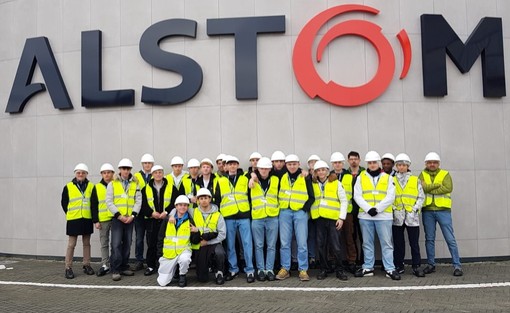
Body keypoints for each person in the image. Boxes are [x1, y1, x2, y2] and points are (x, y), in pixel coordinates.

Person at [353, 151, 400, 280]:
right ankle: (368, 267)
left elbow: (391, 196)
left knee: (386, 243)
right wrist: (368, 209)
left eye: (374, 162)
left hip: (383, 216)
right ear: (367, 163)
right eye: (370, 163)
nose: (372, 165)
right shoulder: (361, 177)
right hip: (365, 216)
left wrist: (377, 209)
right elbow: (357, 195)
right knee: (367, 243)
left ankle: (390, 268)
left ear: (378, 163)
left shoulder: (388, 177)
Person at [419, 152, 463, 276]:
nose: (432, 164)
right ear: (426, 163)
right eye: (429, 162)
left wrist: (430, 188)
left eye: (434, 162)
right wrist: (438, 185)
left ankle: (457, 265)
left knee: (450, 239)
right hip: (427, 210)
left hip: (443, 210)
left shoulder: (445, 174)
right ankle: (431, 264)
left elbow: (448, 188)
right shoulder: (422, 174)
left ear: (438, 163)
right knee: (429, 239)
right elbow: (421, 189)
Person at [214, 155, 255, 283]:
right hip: (228, 217)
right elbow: (218, 199)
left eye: (234, 164)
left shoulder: (245, 177)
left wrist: (253, 177)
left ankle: (250, 270)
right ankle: (233, 269)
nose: (232, 166)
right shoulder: (220, 181)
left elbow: (251, 191)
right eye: (229, 164)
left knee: (247, 244)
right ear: (225, 166)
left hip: (243, 215)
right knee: (230, 245)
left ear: (237, 166)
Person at [276, 154, 315, 281]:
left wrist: (304, 209)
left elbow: (311, 196)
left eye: (294, 164)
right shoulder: (281, 177)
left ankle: (303, 269)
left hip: (300, 213)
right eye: (289, 164)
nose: (292, 166)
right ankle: (285, 268)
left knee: (302, 242)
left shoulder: (305, 177)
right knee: (284, 242)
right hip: (285, 212)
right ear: (286, 165)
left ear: (298, 164)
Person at [310, 160, 349, 281]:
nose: (321, 172)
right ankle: (324, 269)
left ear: (327, 171)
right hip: (319, 218)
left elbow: (344, 201)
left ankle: (339, 270)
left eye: (323, 170)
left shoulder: (336, 183)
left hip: (333, 219)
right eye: (318, 170)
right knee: (321, 245)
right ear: (315, 172)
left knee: (336, 246)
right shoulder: (312, 183)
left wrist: (341, 218)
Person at [106, 158, 142, 281]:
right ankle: (115, 268)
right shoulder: (112, 184)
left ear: (130, 170)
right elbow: (109, 202)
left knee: (127, 243)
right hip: (118, 219)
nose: (125, 171)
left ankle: (124, 266)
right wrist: (119, 216)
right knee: (116, 244)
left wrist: (132, 216)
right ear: (120, 170)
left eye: (128, 169)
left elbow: (138, 201)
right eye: (123, 169)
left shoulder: (135, 184)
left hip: (130, 219)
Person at [392, 153, 425, 277]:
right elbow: (389, 197)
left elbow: (421, 197)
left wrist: (414, 209)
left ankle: (416, 266)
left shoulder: (415, 180)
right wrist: (394, 209)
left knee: (414, 243)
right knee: (398, 243)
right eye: (399, 165)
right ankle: (398, 265)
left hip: (411, 217)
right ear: (396, 166)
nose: (401, 167)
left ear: (408, 166)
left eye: (403, 165)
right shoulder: (392, 180)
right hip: (397, 217)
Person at [60, 163, 95, 279]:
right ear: (75, 174)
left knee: (86, 244)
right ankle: (68, 267)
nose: (81, 174)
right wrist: (70, 213)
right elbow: (64, 203)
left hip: (86, 218)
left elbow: (94, 203)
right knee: (71, 244)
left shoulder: (91, 186)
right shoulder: (68, 186)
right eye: (78, 172)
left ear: (86, 174)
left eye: (83, 173)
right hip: (73, 219)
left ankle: (87, 265)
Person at [156, 195, 199, 287]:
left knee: (185, 259)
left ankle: (182, 275)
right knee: (162, 283)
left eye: (185, 205)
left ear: (188, 207)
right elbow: (160, 237)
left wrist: (196, 232)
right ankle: (174, 269)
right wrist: (160, 254)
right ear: (176, 206)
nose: (183, 207)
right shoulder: (168, 219)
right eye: (180, 205)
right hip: (168, 253)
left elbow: (195, 241)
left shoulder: (190, 220)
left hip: (183, 251)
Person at [186, 188, 227, 284]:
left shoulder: (218, 215)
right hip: (199, 244)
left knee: (220, 253)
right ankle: (206, 268)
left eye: (206, 198)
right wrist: (170, 216)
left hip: (214, 243)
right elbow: (179, 208)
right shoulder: (193, 211)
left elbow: (222, 234)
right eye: (201, 198)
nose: (203, 200)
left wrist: (208, 242)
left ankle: (219, 272)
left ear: (210, 199)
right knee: (202, 279)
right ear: (197, 200)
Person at [249, 157, 280, 281]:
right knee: (259, 245)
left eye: (266, 168)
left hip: (272, 216)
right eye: (261, 168)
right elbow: (242, 173)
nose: (264, 170)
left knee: (271, 245)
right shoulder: (252, 180)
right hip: (257, 217)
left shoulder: (276, 180)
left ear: (270, 169)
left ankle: (270, 269)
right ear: (258, 169)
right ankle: (261, 269)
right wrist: (251, 177)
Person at [140, 165, 172, 277]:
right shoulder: (146, 189)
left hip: (166, 220)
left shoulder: (171, 187)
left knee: (166, 243)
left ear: (163, 174)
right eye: (156, 172)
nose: (158, 174)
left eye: (160, 172)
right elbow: (142, 204)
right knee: (151, 243)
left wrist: (166, 212)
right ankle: (151, 265)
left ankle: (164, 266)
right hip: (152, 220)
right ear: (152, 175)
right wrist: (151, 213)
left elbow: (175, 202)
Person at [330, 152, 357, 274]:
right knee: (333, 239)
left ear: (343, 163)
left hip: (348, 212)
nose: (337, 164)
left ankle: (351, 262)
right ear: (332, 164)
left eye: (339, 162)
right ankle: (333, 262)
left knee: (349, 238)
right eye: (335, 163)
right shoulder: (328, 176)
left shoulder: (349, 176)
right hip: (333, 212)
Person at [90, 163, 115, 277]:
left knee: (116, 243)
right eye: (104, 173)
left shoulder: (117, 185)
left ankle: (115, 264)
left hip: (115, 218)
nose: (106, 175)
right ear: (101, 174)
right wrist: (96, 221)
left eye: (109, 172)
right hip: (103, 220)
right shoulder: (97, 187)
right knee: (104, 243)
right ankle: (105, 264)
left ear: (112, 174)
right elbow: (93, 205)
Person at [132, 153, 154, 271]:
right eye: (145, 163)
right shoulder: (135, 176)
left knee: (150, 239)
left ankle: (151, 260)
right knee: (139, 238)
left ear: (152, 164)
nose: (147, 165)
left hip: (151, 213)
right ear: (142, 164)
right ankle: (139, 261)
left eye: (149, 163)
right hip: (139, 213)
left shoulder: (155, 175)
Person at [347, 151, 365, 265]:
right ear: (348, 161)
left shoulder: (365, 173)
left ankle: (364, 260)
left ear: (359, 160)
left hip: (363, 209)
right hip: (350, 210)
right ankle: (354, 261)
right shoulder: (345, 174)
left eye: (355, 159)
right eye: (351, 159)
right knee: (351, 237)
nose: (353, 161)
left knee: (364, 237)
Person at [306, 154, 320, 269]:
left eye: (316, 162)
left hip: (320, 212)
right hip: (308, 212)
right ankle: (312, 257)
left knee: (320, 236)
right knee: (309, 235)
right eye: (311, 162)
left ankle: (321, 257)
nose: (313, 164)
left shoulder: (323, 176)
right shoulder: (305, 177)